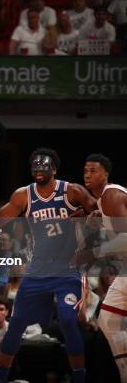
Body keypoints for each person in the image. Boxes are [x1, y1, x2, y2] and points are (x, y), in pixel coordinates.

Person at [0, 147, 98, 383]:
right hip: (37, 270)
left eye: (44, 166)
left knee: (67, 320)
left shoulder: (72, 191)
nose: (38, 169)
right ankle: (0, 378)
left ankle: (80, 377)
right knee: (16, 325)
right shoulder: (23, 195)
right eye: (35, 166)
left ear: (54, 170)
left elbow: (100, 214)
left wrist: (83, 223)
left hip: (68, 269)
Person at [78, 153, 127, 382]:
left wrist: (94, 253)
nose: (88, 174)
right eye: (86, 170)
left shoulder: (111, 194)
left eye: (93, 170)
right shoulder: (101, 203)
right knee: (107, 321)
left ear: (106, 174)